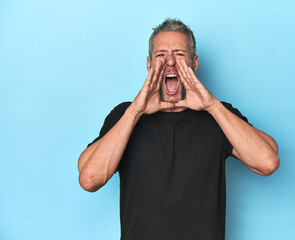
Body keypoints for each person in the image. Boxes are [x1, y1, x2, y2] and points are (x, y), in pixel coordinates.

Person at [78, 18, 279, 240]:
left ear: (195, 63)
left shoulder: (218, 114)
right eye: (161, 55)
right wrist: (136, 111)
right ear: (149, 64)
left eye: (180, 54)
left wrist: (211, 105)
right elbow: (89, 179)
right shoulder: (125, 115)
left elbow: (268, 162)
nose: (170, 62)